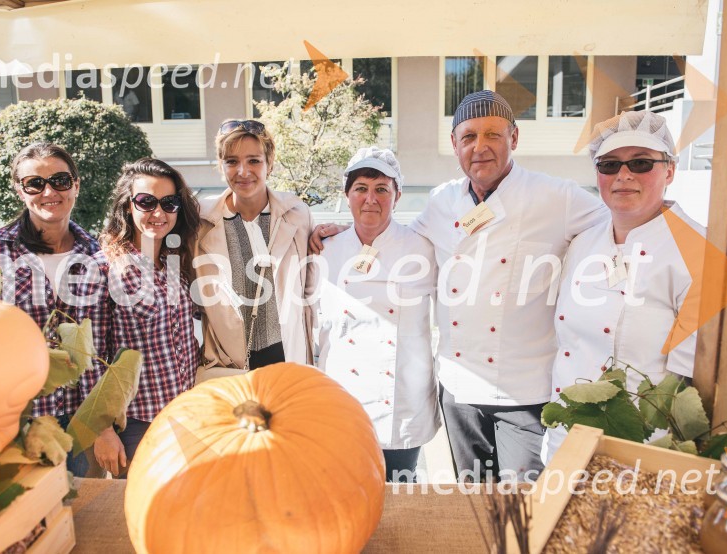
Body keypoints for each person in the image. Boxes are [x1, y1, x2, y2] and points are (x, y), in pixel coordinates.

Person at [312, 91, 608, 481]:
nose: (480, 148)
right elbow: (390, 238)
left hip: (525, 390)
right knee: (473, 500)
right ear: (455, 145)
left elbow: (615, 229)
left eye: (492, 135)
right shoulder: (442, 201)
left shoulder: (557, 196)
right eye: (468, 137)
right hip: (460, 389)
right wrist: (338, 231)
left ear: (514, 139)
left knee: (523, 503)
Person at [541, 111, 727, 462]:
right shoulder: (583, 243)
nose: (624, 175)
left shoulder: (699, 250)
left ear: (670, 171)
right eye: (609, 165)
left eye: (642, 163)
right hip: (567, 440)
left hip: (645, 450)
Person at [0, 142, 110, 477]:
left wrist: (104, 424)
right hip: (16, 423)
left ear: (76, 184)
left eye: (59, 180)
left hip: (82, 424)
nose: (49, 191)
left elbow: (105, 344)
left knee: (85, 519)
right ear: (20, 190)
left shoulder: (98, 254)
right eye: (35, 183)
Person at [315, 147, 440, 482]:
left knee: (400, 495)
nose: (371, 199)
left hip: (400, 400)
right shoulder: (324, 250)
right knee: (347, 491)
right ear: (346, 195)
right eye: (361, 189)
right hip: (344, 397)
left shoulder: (423, 247)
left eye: (381, 189)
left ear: (396, 196)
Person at [95, 158, 201, 477]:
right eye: (146, 202)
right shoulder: (104, 268)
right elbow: (91, 358)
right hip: (137, 425)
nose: (159, 213)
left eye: (169, 203)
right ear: (128, 206)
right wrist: (102, 431)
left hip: (186, 415)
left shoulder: (175, 263)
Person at [192, 119, 315, 379]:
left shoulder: (297, 215)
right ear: (221, 166)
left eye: (254, 161)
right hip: (228, 373)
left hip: (287, 367)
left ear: (269, 164)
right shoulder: (201, 221)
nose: (243, 171)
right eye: (232, 161)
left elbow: (310, 289)